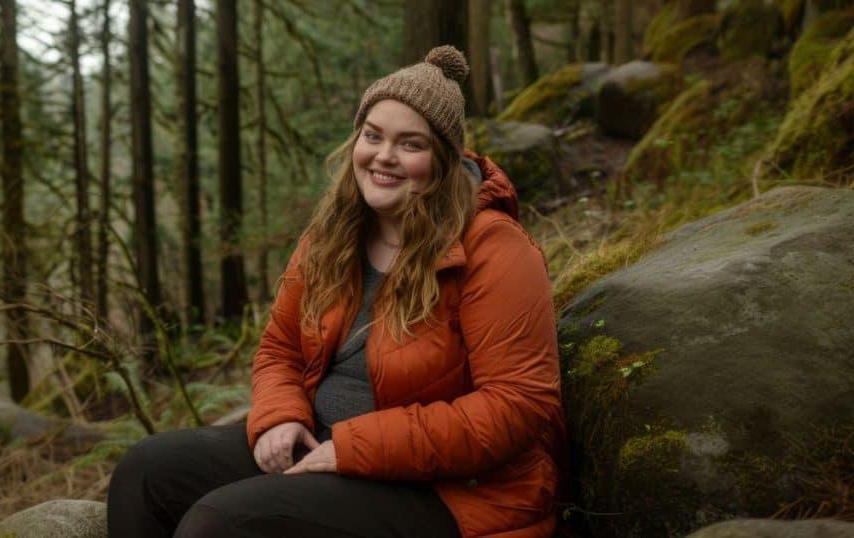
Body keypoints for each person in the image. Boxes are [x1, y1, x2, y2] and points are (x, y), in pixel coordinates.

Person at [107, 45, 566, 538]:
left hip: (452, 489)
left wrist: (353, 447)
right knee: (146, 472)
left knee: (220, 524)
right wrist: (280, 417)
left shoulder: (494, 248)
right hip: (323, 444)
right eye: (373, 136)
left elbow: (518, 405)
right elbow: (280, 348)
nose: (384, 156)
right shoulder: (333, 234)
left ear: (444, 161)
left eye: (410, 144)